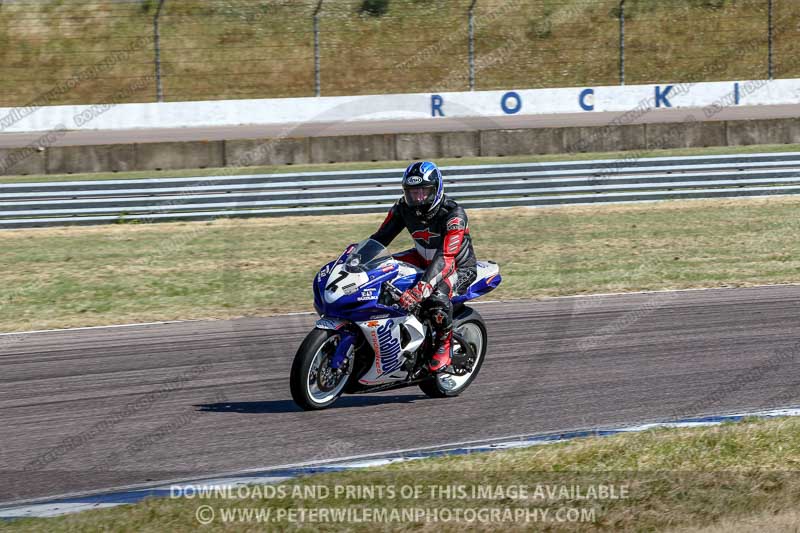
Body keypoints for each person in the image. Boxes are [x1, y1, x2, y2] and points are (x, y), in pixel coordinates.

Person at [370, 161, 477, 373]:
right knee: (381, 271)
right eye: (412, 192)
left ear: (436, 190)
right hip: (421, 257)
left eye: (423, 192)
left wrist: (421, 288)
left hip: (458, 266)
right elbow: (380, 238)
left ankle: (444, 346)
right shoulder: (402, 208)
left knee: (436, 295)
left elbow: (446, 256)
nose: (417, 198)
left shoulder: (454, 214)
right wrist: (357, 257)